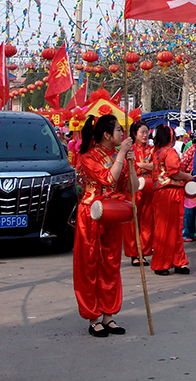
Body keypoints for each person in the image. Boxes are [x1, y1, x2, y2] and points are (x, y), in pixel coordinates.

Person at [74, 115, 135, 337]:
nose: (123, 134)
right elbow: (109, 179)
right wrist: (121, 156)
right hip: (91, 214)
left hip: (113, 214)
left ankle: (109, 315)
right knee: (90, 265)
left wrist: (130, 162)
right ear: (107, 135)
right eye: (119, 130)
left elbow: (133, 186)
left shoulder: (117, 155)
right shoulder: (88, 158)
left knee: (111, 263)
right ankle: (93, 318)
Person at [151, 126, 194, 276]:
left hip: (161, 193)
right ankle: (163, 263)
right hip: (170, 192)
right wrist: (188, 177)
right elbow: (174, 172)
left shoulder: (156, 152)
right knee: (169, 229)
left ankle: (177, 261)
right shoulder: (170, 152)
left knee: (170, 228)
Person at [123, 121, 154, 267]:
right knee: (132, 223)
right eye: (142, 132)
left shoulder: (152, 150)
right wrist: (143, 167)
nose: (145, 135)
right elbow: (129, 167)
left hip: (148, 189)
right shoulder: (130, 150)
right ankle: (133, 253)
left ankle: (143, 252)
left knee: (147, 222)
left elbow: (155, 166)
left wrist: (140, 165)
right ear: (135, 134)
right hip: (133, 189)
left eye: (147, 132)